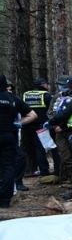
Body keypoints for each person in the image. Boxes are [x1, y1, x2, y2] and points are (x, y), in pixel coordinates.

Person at [0, 75, 38, 207]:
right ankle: (4, 200)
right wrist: (19, 123)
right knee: (7, 167)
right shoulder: (13, 98)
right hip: (8, 136)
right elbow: (33, 115)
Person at [21, 77, 57, 177]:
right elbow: (52, 110)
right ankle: (44, 170)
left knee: (29, 148)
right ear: (43, 84)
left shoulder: (25, 95)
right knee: (41, 148)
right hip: (42, 126)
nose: (48, 85)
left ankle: (30, 169)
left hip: (27, 125)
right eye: (47, 84)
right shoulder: (46, 95)